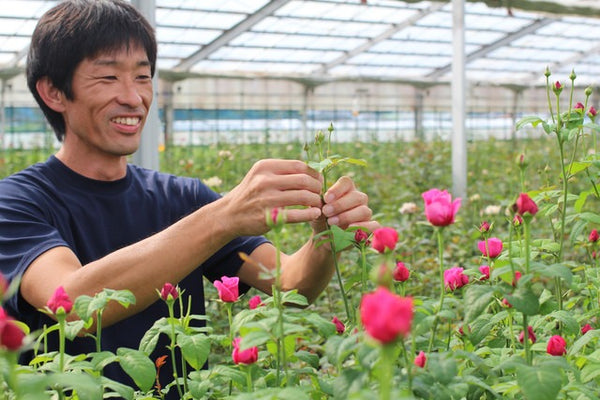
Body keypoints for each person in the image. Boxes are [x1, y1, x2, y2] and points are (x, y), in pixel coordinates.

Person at [0, 0, 378, 396]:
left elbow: (292, 285)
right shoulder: (17, 202)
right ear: (54, 92)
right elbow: (73, 303)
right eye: (108, 77)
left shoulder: (182, 197)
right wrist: (223, 216)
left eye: (143, 76)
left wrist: (326, 234)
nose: (133, 97)